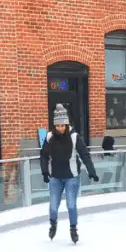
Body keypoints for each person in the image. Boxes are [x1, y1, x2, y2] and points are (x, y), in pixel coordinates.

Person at [40, 104, 98, 244]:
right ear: (55, 126)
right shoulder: (49, 137)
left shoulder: (74, 137)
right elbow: (44, 155)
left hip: (72, 177)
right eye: (58, 126)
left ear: (67, 124)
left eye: (63, 125)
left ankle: (73, 229)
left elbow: (84, 154)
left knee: (71, 205)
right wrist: (45, 171)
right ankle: (53, 224)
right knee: (53, 206)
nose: (60, 128)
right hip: (55, 177)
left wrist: (91, 171)